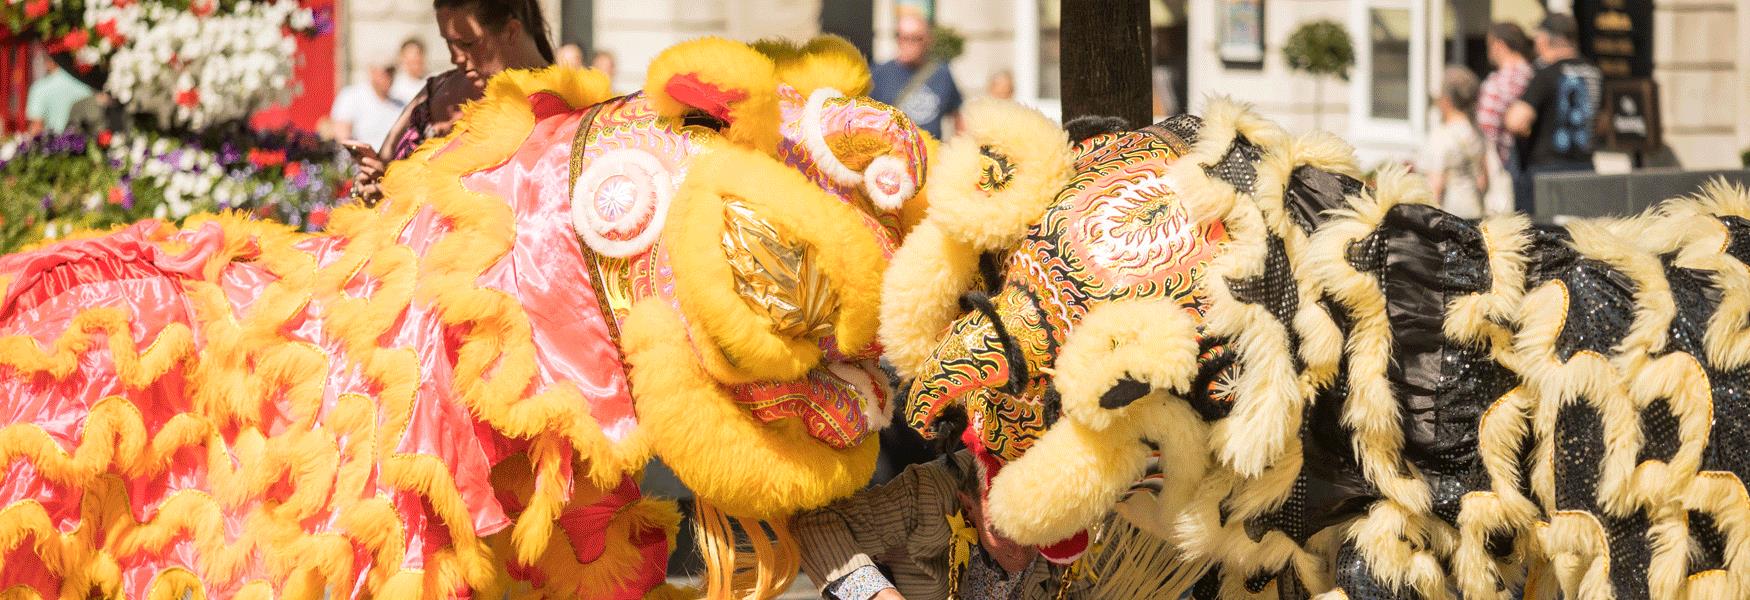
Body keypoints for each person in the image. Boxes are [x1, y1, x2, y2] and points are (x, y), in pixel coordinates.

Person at [796, 448, 1085, 599]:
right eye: (1001, 531)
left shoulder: (1080, 500)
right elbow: (815, 526)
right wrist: (878, 595)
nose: (1021, 552)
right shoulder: (929, 493)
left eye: (1035, 532)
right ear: (969, 505)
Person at [350, 0, 555, 204]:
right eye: (449, 42)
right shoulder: (437, 91)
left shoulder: (562, 108)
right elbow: (385, 167)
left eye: (468, 43)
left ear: (511, 31)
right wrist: (377, 182)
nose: (455, 58)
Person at [1505, 13, 1601, 214]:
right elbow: (1604, 122)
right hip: (1584, 168)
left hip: (1547, 173)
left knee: (1543, 238)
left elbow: (1516, 120)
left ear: (1548, 39)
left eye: (1538, 37)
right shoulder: (1594, 72)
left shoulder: (1546, 74)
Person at [870, 11, 962, 139]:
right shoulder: (879, 74)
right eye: (903, 37)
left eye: (916, 38)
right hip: (893, 155)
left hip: (932, 156)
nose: (908, 43)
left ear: (928, 40)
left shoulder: (942, 73)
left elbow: (958, 118)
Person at [1420, 66, 1487, 219]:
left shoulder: (1442, 136)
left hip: (1450, 216)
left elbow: (1435, 187)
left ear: (1446, 100)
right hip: (1475, 212)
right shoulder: (1476, 133)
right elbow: (1483, 181)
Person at [331, 62, 406, 147]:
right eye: (385, 72)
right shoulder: (351, 96)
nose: (388, 77)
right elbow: (342, 137)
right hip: (360, 158)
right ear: (372, 72)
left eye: (392, 72)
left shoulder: (401, 104)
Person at [25, 61, 94, 135]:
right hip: (81, 141)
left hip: (53, 142)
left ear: (50, 62)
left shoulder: (40, 87)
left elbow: (37, 126)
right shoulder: (85, 85)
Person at [390, 38, 429, 104]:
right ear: (402, 59)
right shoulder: (395, 87)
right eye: (412, 61)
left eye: (417, 60)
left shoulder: (433, 81)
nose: (416, 59)